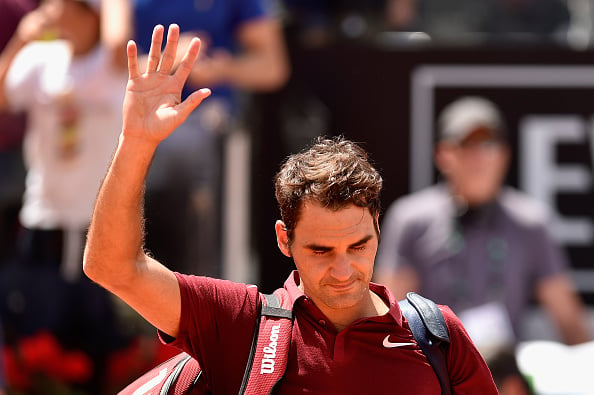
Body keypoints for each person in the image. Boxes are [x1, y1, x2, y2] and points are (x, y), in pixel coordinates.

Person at [83, 24, 497, 393]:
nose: (342, 271)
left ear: (377, 229)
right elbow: (111, 267)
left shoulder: (437, 337)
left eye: (358, 246)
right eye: (321, 250)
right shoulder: (240, 324)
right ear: (285, 239)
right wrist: (136, 142)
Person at [374, 96, 591, 356]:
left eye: (488, 144)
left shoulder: (531, 222)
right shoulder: (410, 219)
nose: (478, 157)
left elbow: (569, 322)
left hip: (503, 377)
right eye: (466, 144)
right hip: (435, 369)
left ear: (504, 155)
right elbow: (389, 319)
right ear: (442, 154)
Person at [100, 0, 289, 278]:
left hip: (208, 135)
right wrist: (172, 59)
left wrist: (222, 69)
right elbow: (114, 56)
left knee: (203, 258)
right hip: (132, 132)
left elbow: (272, 67)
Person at [0, 0, 128, 391]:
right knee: (37, 350)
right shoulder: (40, 59)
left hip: (100, 225)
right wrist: (21, 39)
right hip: (44, 221)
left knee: (99, 355)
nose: (55, 11)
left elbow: (118, 37)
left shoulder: (116, 63)